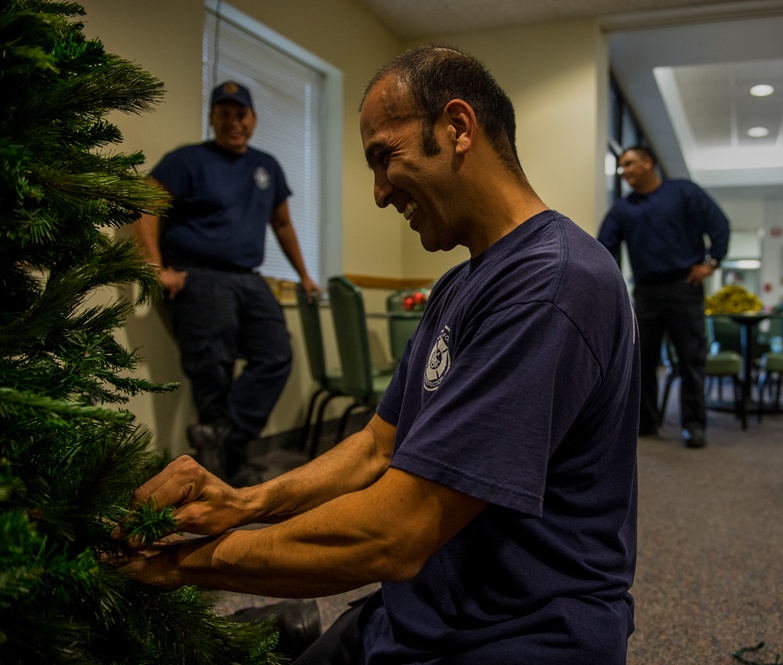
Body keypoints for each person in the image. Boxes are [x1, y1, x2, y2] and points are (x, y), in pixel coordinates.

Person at [120, 45, 640, 665]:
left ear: (457, 128)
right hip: (418, 609)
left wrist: (186, 564)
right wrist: (245, 502)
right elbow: (378, 446)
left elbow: (396, 533)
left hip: (518, 633)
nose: (378, 192)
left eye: (383, 157)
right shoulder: (459, 283)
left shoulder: (554, 282)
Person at [133, 81, 319, 482]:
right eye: (225, 114)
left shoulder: (267, 166)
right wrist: (153, 267)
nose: (233, 122)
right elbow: (144, 203)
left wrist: (304, 275)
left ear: (253, 119)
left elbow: (283, 224)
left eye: (241, 115)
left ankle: (221, 440)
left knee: (276, 355)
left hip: (249, 279)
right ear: (213, 117)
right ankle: (224, 473)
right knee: (212, 371)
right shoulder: (187, 161)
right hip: (200, 278)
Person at [598, 146, 730, 447]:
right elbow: (604, 247)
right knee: (642, 362)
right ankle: (646, 423)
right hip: (645, 293)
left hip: (685, 287)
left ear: (648, 163)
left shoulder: (683, 192)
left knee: (691, 360)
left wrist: (712, 263)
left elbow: (719, 226)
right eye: (622, 167)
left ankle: (694, 425)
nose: (625, 171)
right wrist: (610, 283)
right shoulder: (623, 209)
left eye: (630, 164)